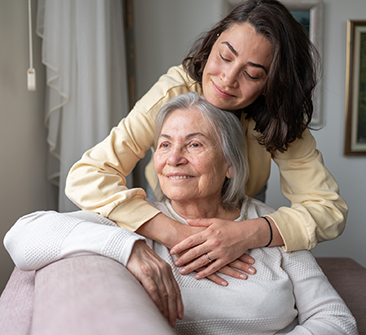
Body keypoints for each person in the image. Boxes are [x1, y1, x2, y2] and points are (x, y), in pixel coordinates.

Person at [5, 93, 357, 334]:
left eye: (194, 144)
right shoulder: (137, 221)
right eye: (164, 144)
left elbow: (337, 321)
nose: (174, 159)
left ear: (230, 165)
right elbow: (22, 235)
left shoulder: (271, 226)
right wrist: (131, 249)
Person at [67, 0, 347, 282]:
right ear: (213, 42)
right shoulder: (172, 92)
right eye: (225, 56)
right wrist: (174, 232)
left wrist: (246, 233)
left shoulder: (280, 118)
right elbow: (87, 176)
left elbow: (328, 210)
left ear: (272, 83)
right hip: (166, 209)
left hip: (242, 213)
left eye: (251, 74)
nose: (227, 79)